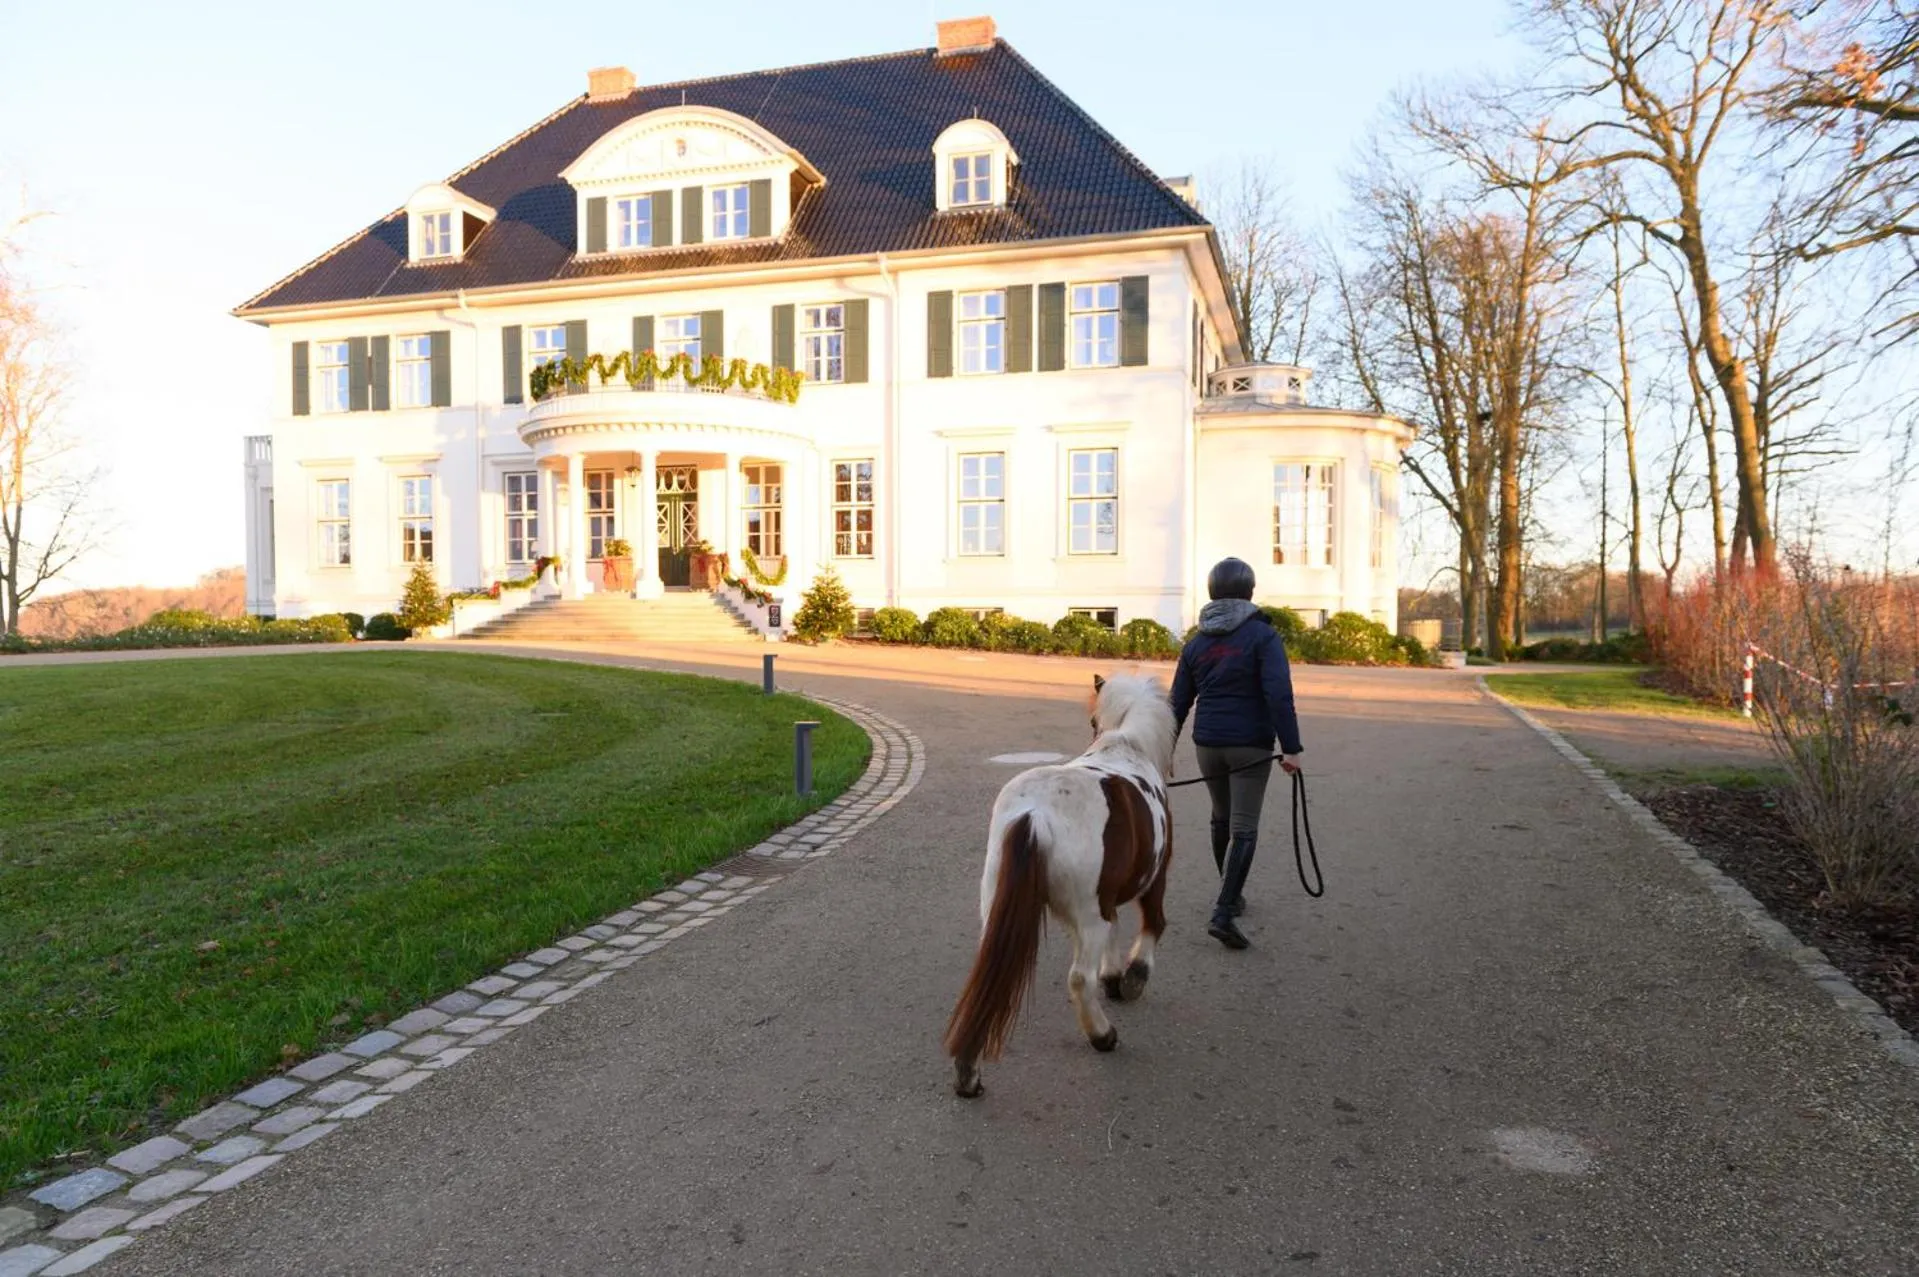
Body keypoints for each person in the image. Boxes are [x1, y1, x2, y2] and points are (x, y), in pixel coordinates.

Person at [1168, 556, 1304, 950]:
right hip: (1250, 746)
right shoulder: (1262, 637)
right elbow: (1278, 695)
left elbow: (1177, 703)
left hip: (1207, 744)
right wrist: (1292, 748)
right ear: (1250, 591)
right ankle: (1224, 910)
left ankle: (1232, 895)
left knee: (1220, 818)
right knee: (1244, 827)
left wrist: (1163, 750)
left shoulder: (1196, 644)